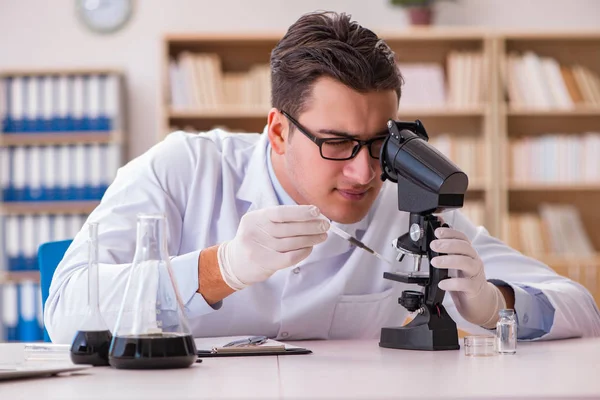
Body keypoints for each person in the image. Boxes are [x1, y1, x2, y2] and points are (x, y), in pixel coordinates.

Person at [45, 11, 600, 344]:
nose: (364, 172)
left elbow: (580, 305)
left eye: (380, 142)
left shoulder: (408, 201)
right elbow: (66, 311)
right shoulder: (184, 168)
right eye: (336, 144)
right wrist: (219, 269)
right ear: (279, 132)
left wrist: (492, 303)